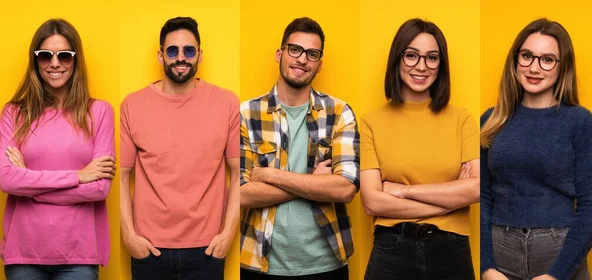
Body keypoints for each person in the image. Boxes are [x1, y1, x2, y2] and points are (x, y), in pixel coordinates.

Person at [119, 17, 240, 280]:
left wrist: (228, 233)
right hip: (149, 249)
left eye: (189, 50)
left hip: (207, 249)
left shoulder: (227, 103)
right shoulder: (132, 104)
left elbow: (239, 173)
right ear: (160, 55)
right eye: (172, 51)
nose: (181, 58)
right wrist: (129, 236)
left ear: (200, 55)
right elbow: (122, 176)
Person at [239, 17, 359, 280]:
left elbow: (346, 188)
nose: (302, 59)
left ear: (319, 64)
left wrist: (268, 175)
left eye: (312, 54)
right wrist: (314, 183)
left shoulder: (339, 112)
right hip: (259, 263)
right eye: (295, 50)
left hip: (327, 265)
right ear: (279, 54)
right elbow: (241, 195)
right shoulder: (247, 113)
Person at [360, 18, 480, 280]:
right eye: (411, 55)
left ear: (441, 64)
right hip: (391, 249)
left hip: (452, 251)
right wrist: (449, 202)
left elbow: (475, 188)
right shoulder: (371, 122)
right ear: (397, 59)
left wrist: (403, 191)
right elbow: (371, 201)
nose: (421, 66)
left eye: (432, 58)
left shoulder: (462, 120)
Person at [480, 18, 592, 280]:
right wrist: (486, 266)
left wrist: (557, 274)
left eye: (547, 59)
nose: (534, 67)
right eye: (527, 56)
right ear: (515, 60)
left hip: (560, 254)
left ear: (562, 66)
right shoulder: (490, 121)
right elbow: (483, 197)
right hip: (501, 255)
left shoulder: (580, 122)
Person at [0, 18, 115, 280]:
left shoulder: (99, 112)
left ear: (76, 60)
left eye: (64, 55)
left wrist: (30, 186)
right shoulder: (13, 113)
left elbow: (100, 188)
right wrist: (78, 176)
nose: (54, 63)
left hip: (79, 255)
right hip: (24, 252)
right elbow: (7, 179)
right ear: (35, 60)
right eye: (45, 55)